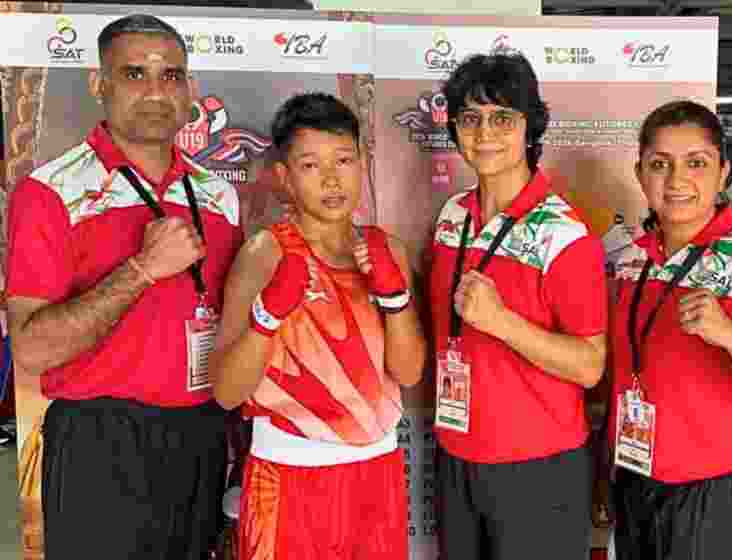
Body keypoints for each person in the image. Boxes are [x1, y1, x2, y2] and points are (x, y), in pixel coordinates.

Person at [4, 14, 242, 559]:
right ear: (99, 84)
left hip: (202, 434)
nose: (156, 92)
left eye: (172, 76)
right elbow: (33, 349)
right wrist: (140, 270)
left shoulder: (218, 197)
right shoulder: (51, 192)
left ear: (190, 90)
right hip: (99, 439)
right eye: (135, 74)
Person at [211, 92, 424, 559]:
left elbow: (408, 374)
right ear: (285, 177)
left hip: (377, 472)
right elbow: (227, 391)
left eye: (344, 160)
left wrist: (395, 295)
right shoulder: (264, 255)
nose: (332, 178)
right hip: (290, 478)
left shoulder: (387, 250)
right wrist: (267, 317)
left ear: (361, 163)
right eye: (311, 165)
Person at [606, 100, 732, 560]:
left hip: (716, 493)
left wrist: (730, 334)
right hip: (635, 477)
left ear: (723, 173)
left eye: (695, 164)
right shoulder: (628, 260)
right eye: (660, 165)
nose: (677, 181)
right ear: (640, 174)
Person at [429, 53, 608, 560]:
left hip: (539, 464)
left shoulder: (562, 232)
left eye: (503, 118)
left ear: (531, 127)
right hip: (457, 452)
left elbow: (590, 364)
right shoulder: (451, 217)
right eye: (471, 118)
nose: (485, 133)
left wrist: (503, 323)